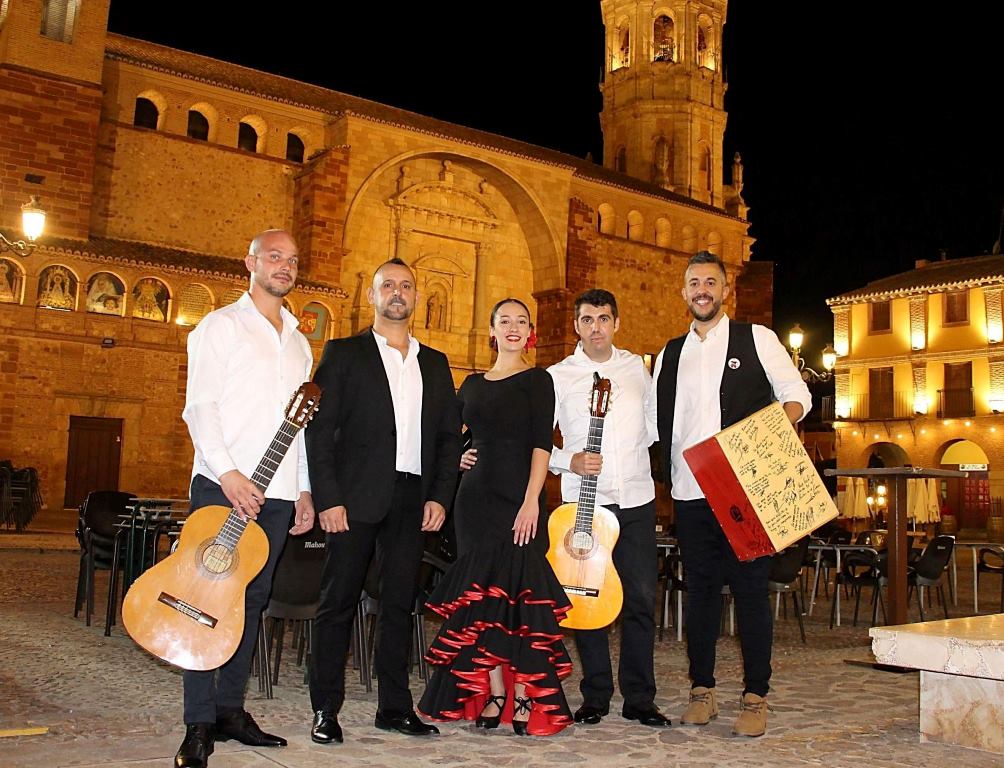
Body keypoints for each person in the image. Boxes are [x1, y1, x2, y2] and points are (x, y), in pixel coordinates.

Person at [654, 250, 811, 737]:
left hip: (745, 490)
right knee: (699, 594)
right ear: (684, 293)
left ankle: (755, 696)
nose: (702, 289)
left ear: (725, 291)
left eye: (710, 282)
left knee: (749, 595)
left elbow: (797, 395)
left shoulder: (757, 339)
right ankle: (702, 690)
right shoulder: (669, 353)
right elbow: (654, 423)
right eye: (693, 282)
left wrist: (762, 443)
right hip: (690, 490)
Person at [175, 229, 316, 768]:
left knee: (251, 602)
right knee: (205, 600)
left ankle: (229, 710)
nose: (285, 266)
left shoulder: (300, 342)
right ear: (250, 262)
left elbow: (300, 426)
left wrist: (303, 490)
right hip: (222, 485)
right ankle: (197, 721)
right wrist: (229, 474)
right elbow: (200, 408)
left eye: (292, 260)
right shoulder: (220, 327)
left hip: (277, 494)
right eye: (274, 257)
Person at [306, 258, 462, 744]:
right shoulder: (344, 353)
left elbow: (446, 439)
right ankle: (325, 710)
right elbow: (319, 430)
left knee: (399, 605)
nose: (398, 293)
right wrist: (328, 498)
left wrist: (440, 495)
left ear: (417, 297)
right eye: (388, 286)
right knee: (338, 603)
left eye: (406, 286)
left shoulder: (435, 363)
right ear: (372, 296)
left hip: (412, 497)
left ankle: (394, 707)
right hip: (353, 499)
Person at [419, 298, 573, 737]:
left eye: (520, 322)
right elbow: (450, 436)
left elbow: (541, 445)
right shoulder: (470, 384)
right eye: (504, 320)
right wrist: (462, 454)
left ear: (530, 333)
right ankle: (492, 691)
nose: (512, 327)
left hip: (517, 501)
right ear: (491, 330)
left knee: (519, 603)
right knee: (482, 602)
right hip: (474, 505)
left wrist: (531, 502)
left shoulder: (538, 380)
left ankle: (525, 696)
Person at [547, 288, 669, 729]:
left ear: (616, 323)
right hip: (586, 504)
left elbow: (655, 428)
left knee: (640, 599)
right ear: (576, 325)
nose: (595, 327)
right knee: (586, 599)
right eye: (587, 319)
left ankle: (640, 698)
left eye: (603, 318)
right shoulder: (559, 375)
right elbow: (539, 443)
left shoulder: (637, 368)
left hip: (635, 500)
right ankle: (596, 695)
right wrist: (570, 461)